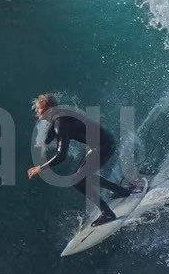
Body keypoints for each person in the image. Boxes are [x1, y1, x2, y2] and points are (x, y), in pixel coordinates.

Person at [26, 93, 136, 226]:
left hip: (104, 146)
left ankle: (107, 213)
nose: (36, 111)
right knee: (83, 177)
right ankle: (121, 191)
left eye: (39, 109)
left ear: (49, 109)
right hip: (103, 144)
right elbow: (52, 132)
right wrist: (45, 142)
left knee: (77, 181)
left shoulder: (60, 123)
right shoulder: (60, 116)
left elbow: (61, 155)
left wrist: (40, 168)